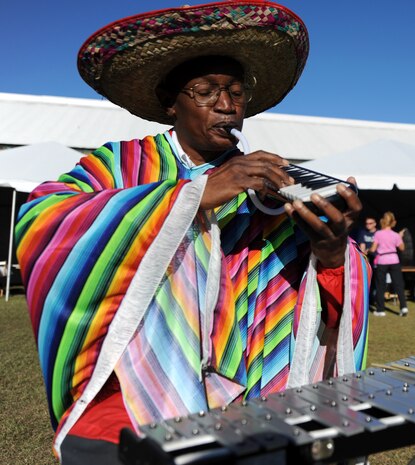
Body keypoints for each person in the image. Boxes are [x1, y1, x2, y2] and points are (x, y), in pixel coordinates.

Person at [14, 3, 371, 464]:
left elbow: (320, 302)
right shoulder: (123, 165)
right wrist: (194, 194)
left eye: (237, 93)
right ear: (171, 103)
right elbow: (44, 218)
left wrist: (331, 251)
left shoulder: (270, 185)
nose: (227, 106)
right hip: (129, 397)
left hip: (249, 398)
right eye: (206, 92)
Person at [370, 211, 408, 316]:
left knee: (380, 285)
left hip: (382, 260)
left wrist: (369, 250)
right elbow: (402, 248)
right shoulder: (395, 235)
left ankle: (380, 309)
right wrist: (400, 237)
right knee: (398, 284)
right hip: (394, 260)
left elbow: (373, 249)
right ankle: (403, 307)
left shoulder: (378, 234)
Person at [357, 216, 378, 301]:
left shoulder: (379, 233)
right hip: (368, 259)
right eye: (366, 223)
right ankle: (368, 298)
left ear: (375, 224)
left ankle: (376, 297)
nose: (368, 225)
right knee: (368, 278)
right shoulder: (363, 232)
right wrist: (363, 255)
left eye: (370, 223)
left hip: (378, 259)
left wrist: (368, 250)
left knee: (377, 279)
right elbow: (362, 247)